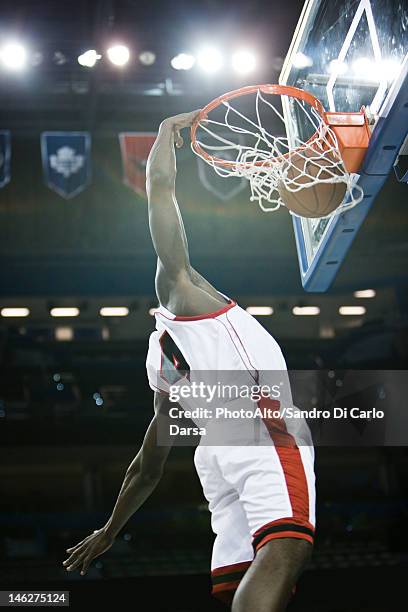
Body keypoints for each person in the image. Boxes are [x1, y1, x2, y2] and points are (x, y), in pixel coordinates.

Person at [63, 111, 316, 612]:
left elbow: (147, 467)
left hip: (216, 456)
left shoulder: (162, 363)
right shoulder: (185, 293)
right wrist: (163, 134)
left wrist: (111, 529)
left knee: (240, 579)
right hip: (259, 426)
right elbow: (160, 192)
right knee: (287, 549)